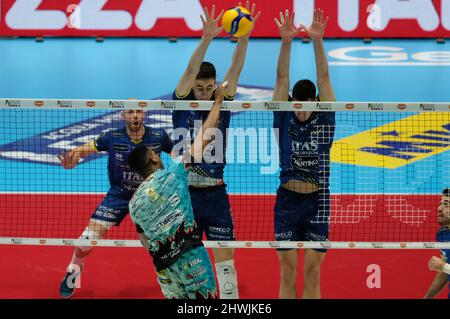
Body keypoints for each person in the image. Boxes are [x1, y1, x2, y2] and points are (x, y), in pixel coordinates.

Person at [171, 2, 260, 299]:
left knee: (227, 270)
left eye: (209, 87)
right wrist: (207, 37)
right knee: (189, 267)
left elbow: (235, 68)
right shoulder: (182, 101)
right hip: (185, 195)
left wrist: (244, 36)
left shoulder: (221, 101)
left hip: (216, 194)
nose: (206, 92)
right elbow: (188, 70)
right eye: (201, 87)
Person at [127, 82, 228, 299]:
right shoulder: (174, 172)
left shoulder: (133, 204)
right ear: (154, 158)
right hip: (191, 258)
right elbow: (206, 136)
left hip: (164, 268)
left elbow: (144, 240)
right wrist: (218, 101)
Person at [58, 109, 173, 298]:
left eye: (138, 112)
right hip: (118, 195)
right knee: (87, 239)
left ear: (143, 114)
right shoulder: (112, 137)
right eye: (130, 112)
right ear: (123, 116)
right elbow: (83, 149)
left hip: (149, 196)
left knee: (156, 245)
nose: (135, 116)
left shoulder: (159, 136)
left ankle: (171, 278)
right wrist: (74, 158)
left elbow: (178, 153)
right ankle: (74, 269)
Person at [272, 8, 336, 299]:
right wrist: (286, 41)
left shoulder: (324, 115)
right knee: (287, 271)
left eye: (304, 104)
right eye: (295, 104)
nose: (299, 110)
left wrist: (317, 41)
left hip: (318, 202)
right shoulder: (284, 114)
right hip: (287, 202)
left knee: (312, 271)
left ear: (315, 102)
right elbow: (282, 78)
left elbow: (323, 77)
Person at [424, 188, 450, 299]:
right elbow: (445, 273)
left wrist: (444, 266)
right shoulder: (442, 234)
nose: (439, 208)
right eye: (440, 204)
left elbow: (445, 267)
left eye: (446, 204)